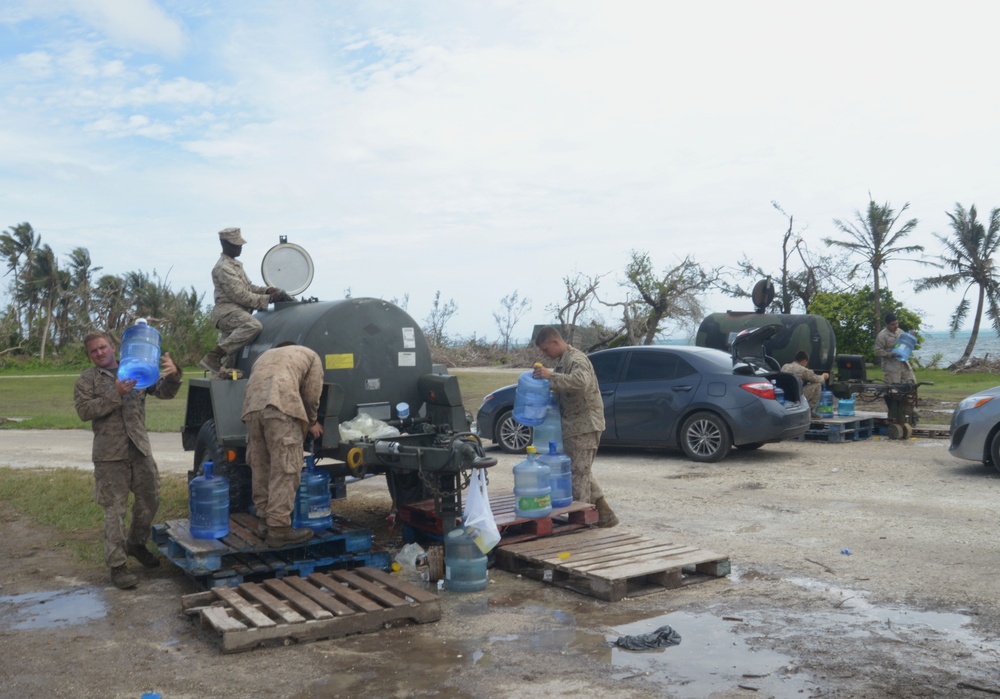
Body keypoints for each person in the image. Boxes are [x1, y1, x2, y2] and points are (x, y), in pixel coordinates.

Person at [73, 330, 182, 589]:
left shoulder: (137, 367)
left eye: (102, 347)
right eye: (93, 351)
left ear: (112, 347)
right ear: (90, 355)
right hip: (109, 456)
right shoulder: (87, 379)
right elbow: (84, 411)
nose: (99, 353)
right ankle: (118, 567)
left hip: (139, 449)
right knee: (115, 510)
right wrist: (115, 393)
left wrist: (175, 375)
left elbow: (163, 392)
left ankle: (136, 543)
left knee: (150, 499)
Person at [532, 326, 618, 528]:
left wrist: (550, 377)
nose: (546, 354)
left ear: (555, 342)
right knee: (581, 470)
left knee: (578, 476)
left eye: (546, 349)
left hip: (584, 425)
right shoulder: (563, 362)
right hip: (575, 426)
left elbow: (581, 381)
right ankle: (605, 515)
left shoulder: (575, 359)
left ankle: (581, 523)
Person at [241, 343, 325, 547]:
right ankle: (279, 530)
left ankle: (264, 521)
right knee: (285, 468)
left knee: (261, 464)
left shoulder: (264, 355)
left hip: (252, 409)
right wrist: (312, 421)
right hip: (281, 408)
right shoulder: (311, 355)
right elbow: (312, 393)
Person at [200, 227, 287, 376]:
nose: (240, 247)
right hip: (228, 313)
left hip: (237, 313)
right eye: (236, 244)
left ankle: (220, 375)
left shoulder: (234, 265)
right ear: (225, 244)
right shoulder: (223, 268)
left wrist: (267, 290)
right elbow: (241, 295)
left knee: (229, 362)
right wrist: (270, 299)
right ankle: (214, 355)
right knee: (253, 326)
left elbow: (249, 287)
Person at [780, 351, 830, 420]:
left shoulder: (784, 366)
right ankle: (809, 410)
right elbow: (818, 380)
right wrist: (823, 376)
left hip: (785, 396)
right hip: (797, 396)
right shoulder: (803, 370)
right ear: (804, 361)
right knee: (817, 385)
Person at [874, 313, 916, 385]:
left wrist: (910, 336)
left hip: (903, 363)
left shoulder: (900, 331)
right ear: (887, 324)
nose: (896, 326)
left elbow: (905, 342)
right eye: (893, 324)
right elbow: (877, 351)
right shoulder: (882, 335)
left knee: (911, 384)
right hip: (891, 366)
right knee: (893, 388)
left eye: (897, 323)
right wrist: (890, 355)